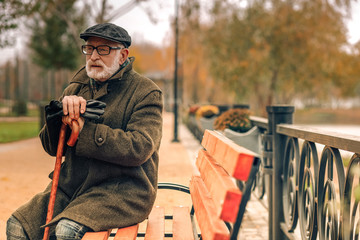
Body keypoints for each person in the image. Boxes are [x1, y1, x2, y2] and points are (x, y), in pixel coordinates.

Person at [6, 23, 163, 240]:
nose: (94, 56)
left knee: (66, 231)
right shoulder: (75, 88)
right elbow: (52, 148)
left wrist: (84, 131)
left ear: (122, 55)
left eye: (103, 49)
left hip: (123, 190)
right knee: (17, 226)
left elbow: (140, 147)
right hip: (73, 186)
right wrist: (58, 119)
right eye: (89, 49)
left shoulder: (146, 92)